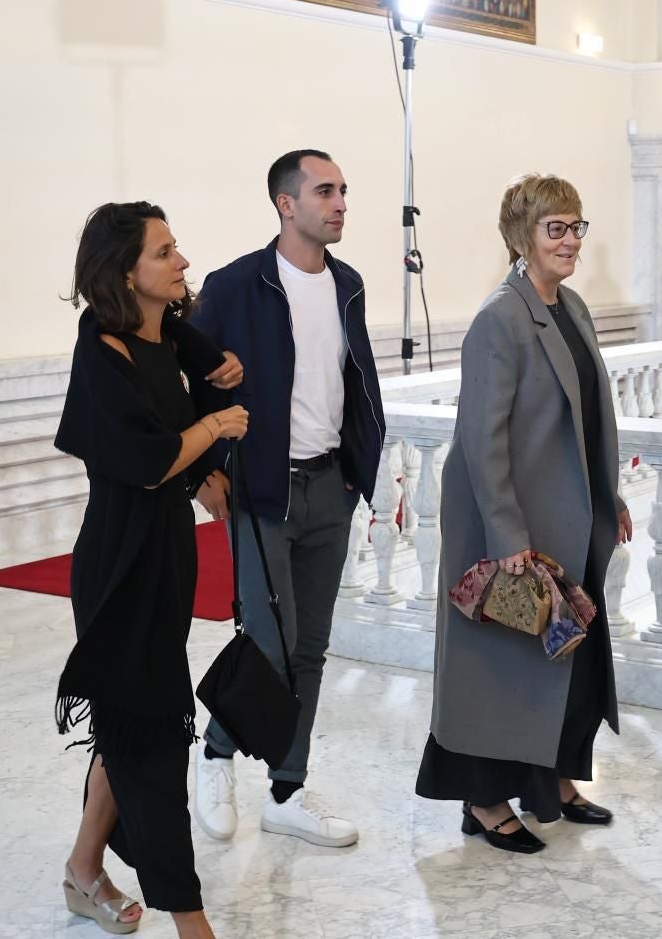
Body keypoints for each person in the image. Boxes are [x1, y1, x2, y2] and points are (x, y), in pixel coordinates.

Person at [414, 173, 631, 853]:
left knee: (566, 661)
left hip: (569, 521)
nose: (570, 241)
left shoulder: (571, 306)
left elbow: (587, 417)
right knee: (501, 674)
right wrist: (507, 536)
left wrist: (609, 496)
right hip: (510, 530)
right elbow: (482, 440)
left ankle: (556, 782)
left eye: (576, 227)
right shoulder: (499, 318)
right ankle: (482, 801)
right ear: (521, 238)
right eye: (555, 229)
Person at [54, 202, 248, 938]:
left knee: (131, 723)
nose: (182, 262)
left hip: (166, 551)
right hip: (120, 559)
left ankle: (82, 870)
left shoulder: (162, 332)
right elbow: (144, 460)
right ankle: (190, 919)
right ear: (125, 271)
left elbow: (203, 362)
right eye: (165, 252)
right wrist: (212, 427)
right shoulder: (101, 352)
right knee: (156, 737)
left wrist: (215, 370)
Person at [188, 149, 385, 848]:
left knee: (310, 650)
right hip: (262, 490)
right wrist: (202, 473)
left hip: (331, 486)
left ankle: (287, 791)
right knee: (270, 644)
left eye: (343, 191)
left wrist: (360, 471)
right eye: (324, 191)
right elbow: (186, 382)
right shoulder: (235, 286)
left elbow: (354, 380)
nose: (339, 204)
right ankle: (213, 755)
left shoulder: (349, 284)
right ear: (285, 203)